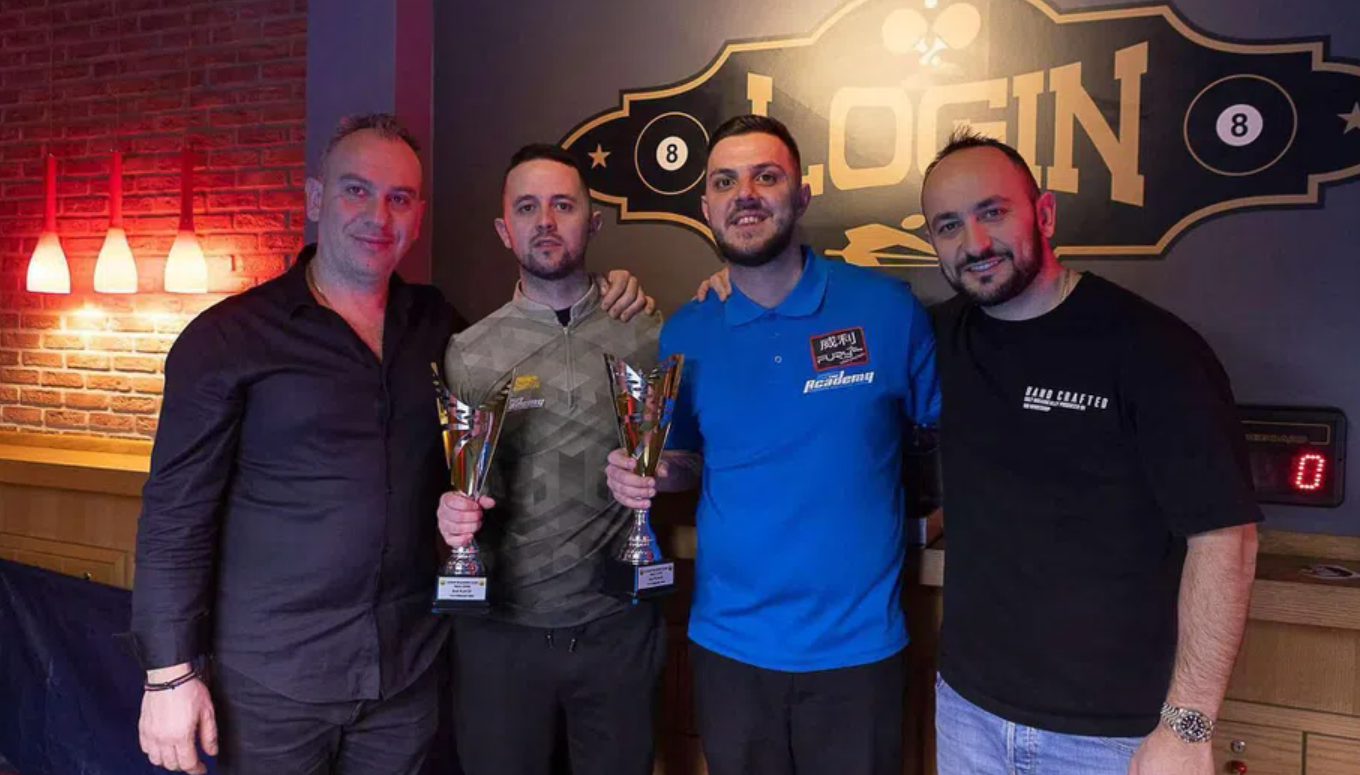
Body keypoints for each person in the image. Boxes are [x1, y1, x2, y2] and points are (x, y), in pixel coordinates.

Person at [129, 113, 652, 775]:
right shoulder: (227, 339)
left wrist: (611, 293)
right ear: (316, 198)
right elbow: (174, 514)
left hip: (405, 678)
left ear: (418, 215)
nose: (378, 215)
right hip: (270, 686)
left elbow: (533, 348)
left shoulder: (437, 326)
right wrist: (169, 673)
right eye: (357, 190)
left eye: (399, 198)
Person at [603, 115, 940, 775]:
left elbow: (953, 432)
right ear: (706, 206)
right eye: (725, 182)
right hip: (729, 649)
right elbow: (686, 459)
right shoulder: (687, 331)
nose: (746, 195)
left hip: (859, 651)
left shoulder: (886, 309)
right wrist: (650, 472)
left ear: (802, 194)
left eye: (766, 176)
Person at [919, 130, 1261, 774]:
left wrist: (1187, 727)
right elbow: (828, 349)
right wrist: (737, 280)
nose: (976, 243)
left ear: (1044, 213)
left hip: (1113, 737)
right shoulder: (936, 338)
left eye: (994, 212)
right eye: (949, 225)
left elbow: (1227, 541)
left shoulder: (1153, 348)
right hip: (968, 713)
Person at [434, 144, 666, 775]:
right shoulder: (469, 351)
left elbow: (688, 454)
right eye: (527, 207)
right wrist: (449, 512)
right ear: (503, 229)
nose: (545, 221)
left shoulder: (646, 330)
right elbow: (456, 482)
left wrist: (665, 472)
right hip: (500, 635)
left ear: (594, 221)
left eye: (563, 205)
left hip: (617, 628)